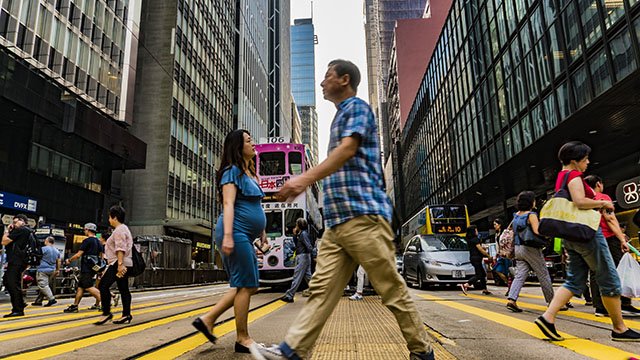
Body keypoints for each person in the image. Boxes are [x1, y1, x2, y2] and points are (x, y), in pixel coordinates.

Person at [251, 59, 433, 360]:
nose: (322, 82)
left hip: (363, 217)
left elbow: (348, 149)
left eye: (327, 76)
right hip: (338, 225)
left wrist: (303, 180)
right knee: (321, 291)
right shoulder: (339, 118)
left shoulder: (357, 109)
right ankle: (291, 352)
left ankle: (422, 351)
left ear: (344, 80)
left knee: (391, 289)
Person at [534, 141, 640, 342]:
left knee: (574, 280)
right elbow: (579, 201)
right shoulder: (574, 176)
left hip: (571, 237)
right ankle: (619, 328)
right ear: (574, 161)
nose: (588, 163)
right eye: (585, 159)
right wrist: (602, 202)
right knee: (609, 277)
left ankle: (547, 318)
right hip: (588, 234)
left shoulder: (561, 177)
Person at [191, 129, 268, 354]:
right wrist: (227, 237)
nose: (253, 144)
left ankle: (207, 320)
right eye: (248, 141)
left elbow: (255, 206)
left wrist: (262, 233)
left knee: (248, 284)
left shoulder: (249, 172)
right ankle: (242, 338)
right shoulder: (231, 172)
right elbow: (228, 204)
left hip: (245, 233)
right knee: (246, 285)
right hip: (235, 231)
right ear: (237, 147)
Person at [584, 175, 640, 317]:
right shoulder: (603, 198)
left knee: (596, 272)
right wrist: (622, 239)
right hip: (608, 239)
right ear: (598, 184)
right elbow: (610, 219)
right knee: (620, 268)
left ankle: (600, 307)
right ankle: (624, 304)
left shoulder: (584, 201)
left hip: (591, 240)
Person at [505, 191, 555, 313]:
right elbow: (537, 231)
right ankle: (552, 302)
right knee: (543, 274)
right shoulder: (531, 215)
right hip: (530, 248)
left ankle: (512, 299)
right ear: (531, 202)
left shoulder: (516, 215)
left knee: (520, 275)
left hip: (518, 249)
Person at [95, 205, 134, 325]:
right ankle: (126, 314)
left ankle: (107, 313)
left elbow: (120, 248)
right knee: (123, 289)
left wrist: (120, 264)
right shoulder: (124, 228)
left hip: (118, 262)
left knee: (103, 285)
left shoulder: (119, 230)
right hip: (122, 262)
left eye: (109, 217)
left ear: (115, 217)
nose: (109, 220)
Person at [63, 223, 102, 313]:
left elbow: (79, 254)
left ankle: (105, 303)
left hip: (86, 268)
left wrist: (69, 260)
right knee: (80, 287)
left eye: (84, 230)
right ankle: (75, 306)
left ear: (88, 230)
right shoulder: (98, 242)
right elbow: (101, 256)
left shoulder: (87, 241)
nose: (84, 231)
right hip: (94, 267)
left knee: (88, 286)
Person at [1, 214, 32, 317]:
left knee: (12, 284)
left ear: (22, 221)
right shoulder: (26, 231)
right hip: (18, 262)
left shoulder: (22, 230)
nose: (13, 225)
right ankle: (20, 303)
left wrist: (6, 231)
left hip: (16, 262)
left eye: (15, 222)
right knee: (7, 281)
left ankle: (18, 309)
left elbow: (4, 241)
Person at [282, 218, 313, 303]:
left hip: (303, 257)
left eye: (296, 224)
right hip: (304, 256)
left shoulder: (303, 234)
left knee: (297, 276)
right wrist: (294, 235)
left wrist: (313, 255)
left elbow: (309, 246)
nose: (295, 226)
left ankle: (290, 295)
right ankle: (319, 292)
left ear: (299, 225)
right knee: (308, 277)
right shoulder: (301, 234)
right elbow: (297, 245)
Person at [459, 225, 492, 296]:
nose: (477, 232)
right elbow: (479, 249)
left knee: (483, 274)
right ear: (473, 231)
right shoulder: (475, 239)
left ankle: (485, 289)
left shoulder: (469, 239)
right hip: (476, 258)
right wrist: (488, 255)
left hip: (473, 258)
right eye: (476, 230)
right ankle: (466, 284)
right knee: (479, 274)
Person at [32, 236, 61, 307]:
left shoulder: (43, 249)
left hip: (42, 269)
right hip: (52, 270)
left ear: (47, 241)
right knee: (45, 285)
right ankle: (38, 301)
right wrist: (57, 269)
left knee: (43, 285)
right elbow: (59, 261)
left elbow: (36, 257)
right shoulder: (56, 250)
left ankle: (51, 299)